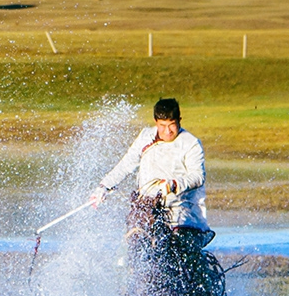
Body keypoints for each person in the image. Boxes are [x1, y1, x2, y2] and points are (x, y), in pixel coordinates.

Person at [88, 97, 212, 252]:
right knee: (135, 241)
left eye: (172, 125)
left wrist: (175, 184)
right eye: (162, 126)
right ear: (155, 122)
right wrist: (104, 186)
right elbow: (126, 164)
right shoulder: (146, 137)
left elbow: (198, 176)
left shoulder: (191, 143)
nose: (167, 131)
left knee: (175, 248)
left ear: (179, 120)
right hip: (146, 206)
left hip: (179, 209)